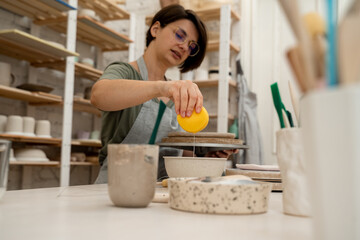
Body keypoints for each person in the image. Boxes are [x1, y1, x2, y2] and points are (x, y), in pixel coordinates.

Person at [91, 4, 237, 184]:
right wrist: (161, 88)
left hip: (162, 193)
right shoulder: (125, 72)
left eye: (191, 46)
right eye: (179, 35)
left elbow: (171, 151)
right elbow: (99, 95)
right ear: (155, 29)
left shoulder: (175, 93)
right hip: (116, 189)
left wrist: (207, 155)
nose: (184, 47)